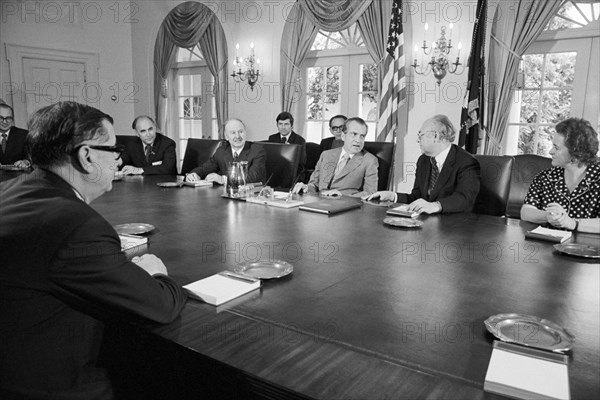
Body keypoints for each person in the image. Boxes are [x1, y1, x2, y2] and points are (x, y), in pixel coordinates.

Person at [0, 101, 187, 399]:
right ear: (86, 156)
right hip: (49, 383)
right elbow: (160, 306)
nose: (117, 161)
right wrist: (156, 275)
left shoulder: (11, 190)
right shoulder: (76, 225)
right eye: (113, 151)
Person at [365, 114, 480, 214]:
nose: (417, 140)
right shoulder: (423, 160)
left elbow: (465, 198)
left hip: (455, 227)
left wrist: (436, 206)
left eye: (421, 135)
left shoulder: (466, 162)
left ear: (435, 136)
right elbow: (417, 196)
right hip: (427, 224)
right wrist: (392, 196)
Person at [521, 118, 599, 234]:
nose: (550, 151)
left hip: (587, 249)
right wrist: (548, 216)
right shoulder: (545, 177)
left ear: (576, 153)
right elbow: (526, 212)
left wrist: (573, 223)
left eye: (556, 148)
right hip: (547, 247)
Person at [292, 117, 378, 197]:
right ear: (343, 136)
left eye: (362, 136)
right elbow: (314, 184)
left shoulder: (369, 160)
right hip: (319, 203)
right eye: (354, 134)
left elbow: (370, 193)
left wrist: (342, 196)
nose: (358, 140)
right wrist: (306, 187)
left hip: (346, 207)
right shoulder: (326, 155)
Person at [186, 118, 266, 184]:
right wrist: (195, 174)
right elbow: (206, 168)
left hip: (251, 196)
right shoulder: (222, 150)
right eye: (233, 133)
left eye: (240, 132)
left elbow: (252, 178)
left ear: (245, 133)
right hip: (227, 196)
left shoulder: (257, 151)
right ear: (226, 137)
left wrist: (223, 179)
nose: (237, 136)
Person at [267, 111, 306, 177]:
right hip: (275, 174)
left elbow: (301, 163)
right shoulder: (272, 138)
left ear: (291, 125)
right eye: (280, 124)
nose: (283, 127)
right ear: (277, 125)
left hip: (292, 174)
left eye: (286, 124)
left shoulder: (300, 140)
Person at [0, 103, 30, 168]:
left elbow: (32, 157)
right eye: (1, 118)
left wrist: (26, 162)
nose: (5, 122)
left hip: (19, 176)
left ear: (13, 119)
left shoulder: (24, 135)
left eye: (8, 118)